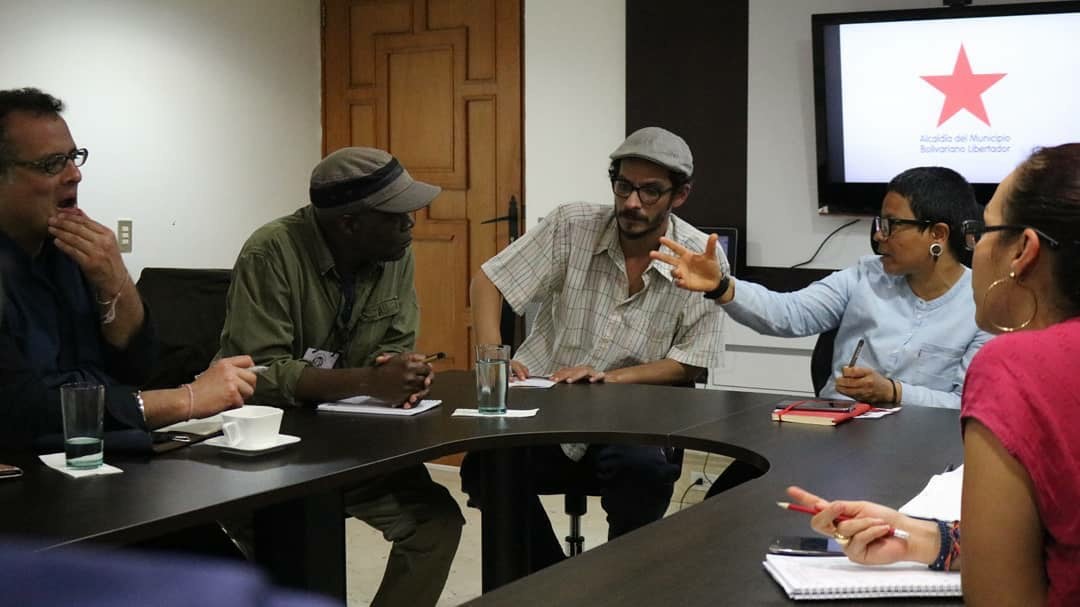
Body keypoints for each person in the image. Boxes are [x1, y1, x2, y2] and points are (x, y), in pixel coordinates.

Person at [788, 143, 1080, 606]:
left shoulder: (1014, 366)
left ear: (1023, 251)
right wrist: (920, 539)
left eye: (983, 231)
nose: (975, 248)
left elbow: (1000, 588)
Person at [461, 127, 726, 571]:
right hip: (550, 411)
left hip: (632, 422)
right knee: (486, 467)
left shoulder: (700, 255)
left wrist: (608, 378)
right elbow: (489, 280)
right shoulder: (572, 225)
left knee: (641, 471)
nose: (631, 203)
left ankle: (614, 585)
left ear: (679, 196)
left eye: (650, 191)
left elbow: (690, 364)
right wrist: (494, 357)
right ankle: (552, 583)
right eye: (623, 186)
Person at [216, 147, 463, 607]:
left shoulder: (394, 252)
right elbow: (260, 374)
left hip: (355, 443)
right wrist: (369, 382)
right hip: (271, 450)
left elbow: (395, 344)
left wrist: (403, 373)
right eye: (397, 216)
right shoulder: (270, 252)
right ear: (350, 224)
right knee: (292, 557)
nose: (412, 225)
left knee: (435, 523)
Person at [0, 87, 256, 448]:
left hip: (102, 450)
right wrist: (186, 399)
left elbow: (137, 369)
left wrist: (115, 279)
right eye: (51, 164)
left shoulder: (70, 249)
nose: (74, 175)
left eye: (74, 157)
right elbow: (21, 410)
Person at [653, 166, 990, 409]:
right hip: (835, 429)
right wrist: (721, 286)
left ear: (938, 235)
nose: (878, 235)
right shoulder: (865, 276)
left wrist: (894, 392)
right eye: (879, 223)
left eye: (892, 225)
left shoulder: (984, 310)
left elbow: (963, 405)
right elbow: (788, 314)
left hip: (916, 449)